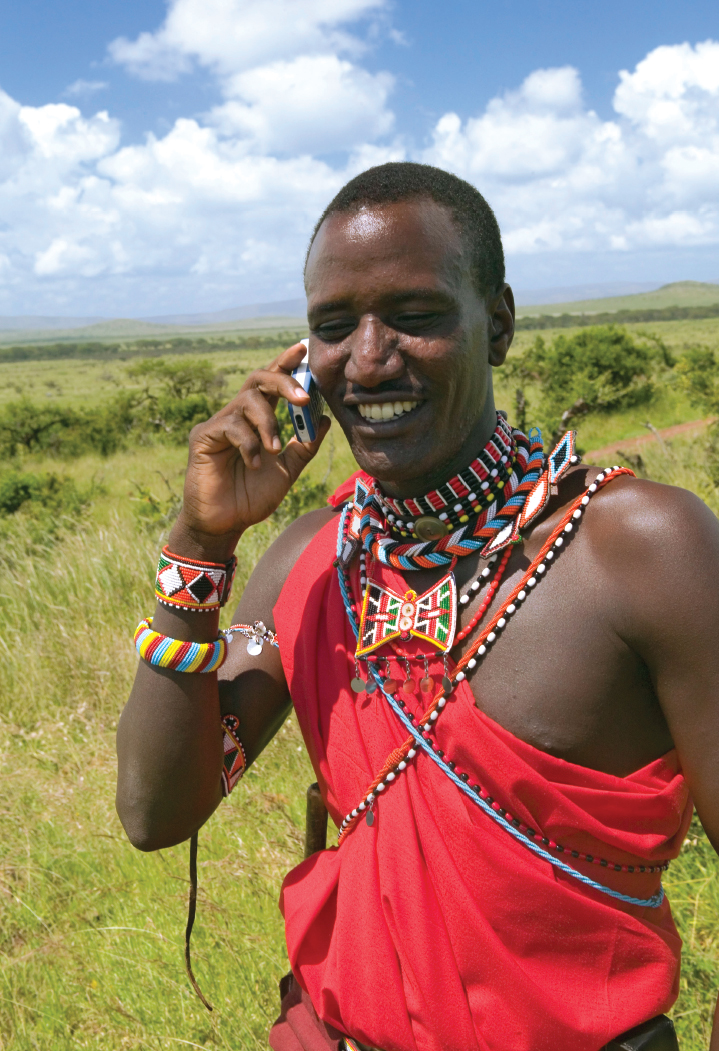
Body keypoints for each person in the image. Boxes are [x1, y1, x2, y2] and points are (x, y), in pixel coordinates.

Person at [116, 162, 719, 1051]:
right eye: (331, 327)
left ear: (498, 323)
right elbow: (156, 813)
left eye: (416, 315)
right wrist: (199, 549)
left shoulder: (637, 547)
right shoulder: (308, 562)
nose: (366, 358)